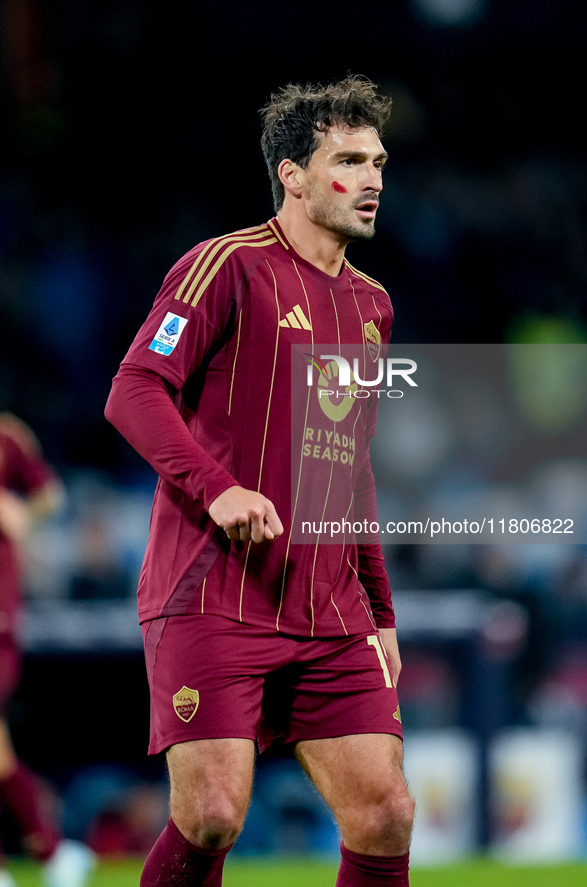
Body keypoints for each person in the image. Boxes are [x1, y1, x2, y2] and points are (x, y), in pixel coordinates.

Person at [105, 75, 415, 886]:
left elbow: (349, 469)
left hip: (329, 606)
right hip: (216, 591)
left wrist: (379, 610)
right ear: (293, 174)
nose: (374, 178)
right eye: (348, 159)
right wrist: (219, 488)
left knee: (384, 813)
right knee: (211, 815)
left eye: (378, 159)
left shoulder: (374, 307)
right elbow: (133, 389)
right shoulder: (226, 266)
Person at [0, 413, 95, 887]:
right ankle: (51, 854)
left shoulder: (8, 437)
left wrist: (20, 512)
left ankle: (51, 856)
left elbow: (48, 495)